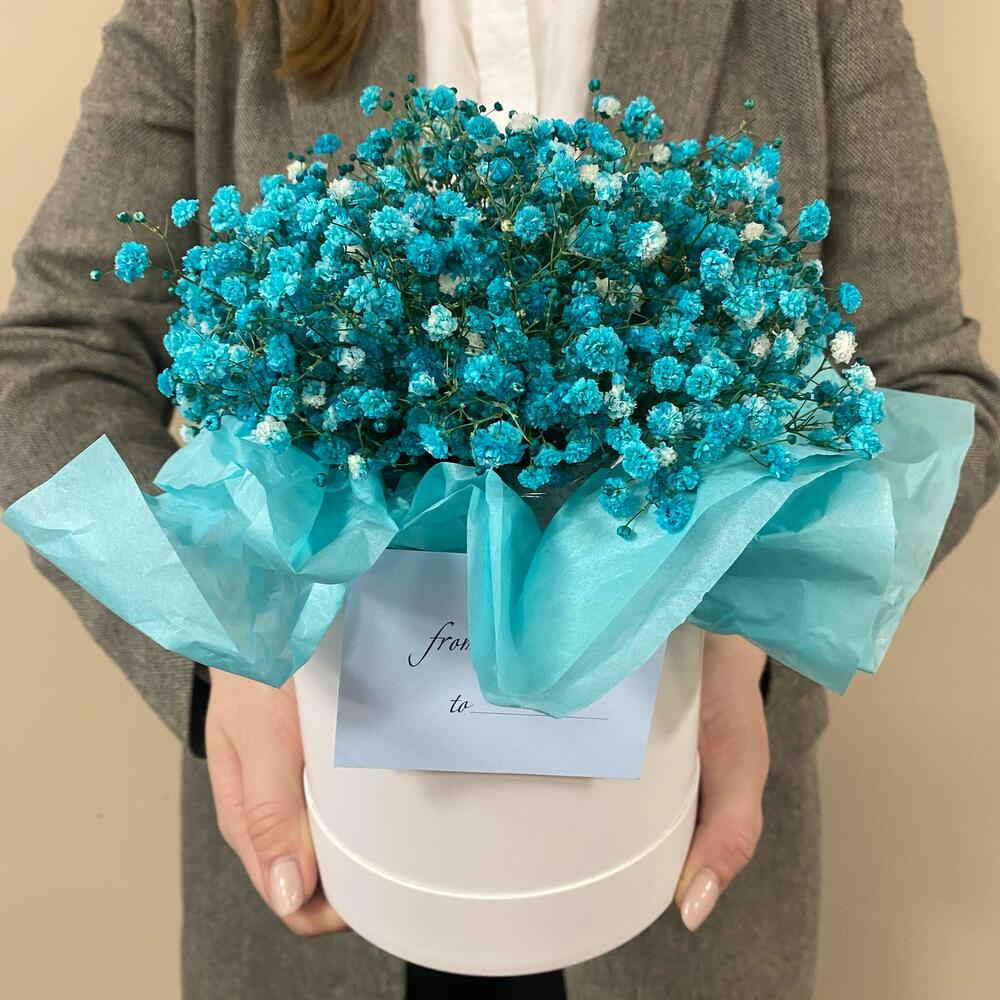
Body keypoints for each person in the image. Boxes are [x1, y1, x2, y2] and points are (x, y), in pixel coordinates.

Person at [1, 1, 997, 998]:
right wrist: (220, 646)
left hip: (669, 833)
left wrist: (747, 627)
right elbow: (51, 361)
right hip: (328, 837)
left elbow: (933, 391)